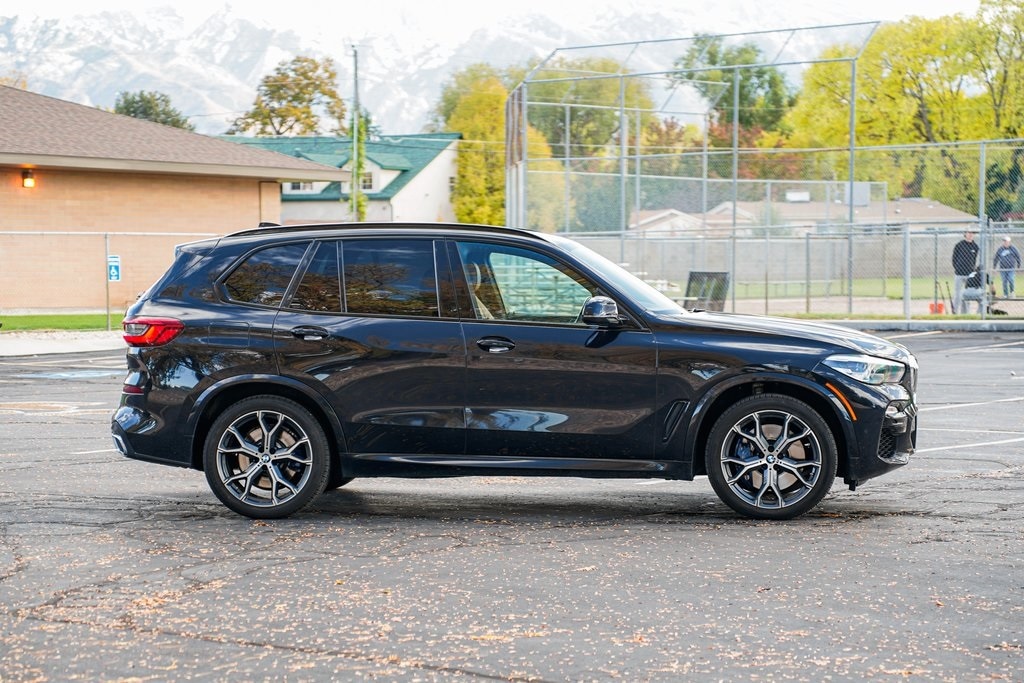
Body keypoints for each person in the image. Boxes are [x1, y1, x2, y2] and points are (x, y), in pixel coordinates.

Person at [951, 231, 980, 314]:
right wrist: (957, 267)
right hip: (959, 274)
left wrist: (972, 270)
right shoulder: (959, 245)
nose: (970, 235)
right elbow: (954, 258)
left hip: (969, 275)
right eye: (968, 233)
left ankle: (966, 313)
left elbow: (974, 260)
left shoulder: (975, 246)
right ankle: (955, 312)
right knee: (957, 294)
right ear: (965, 234)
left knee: (967, 294)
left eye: (972, 233)